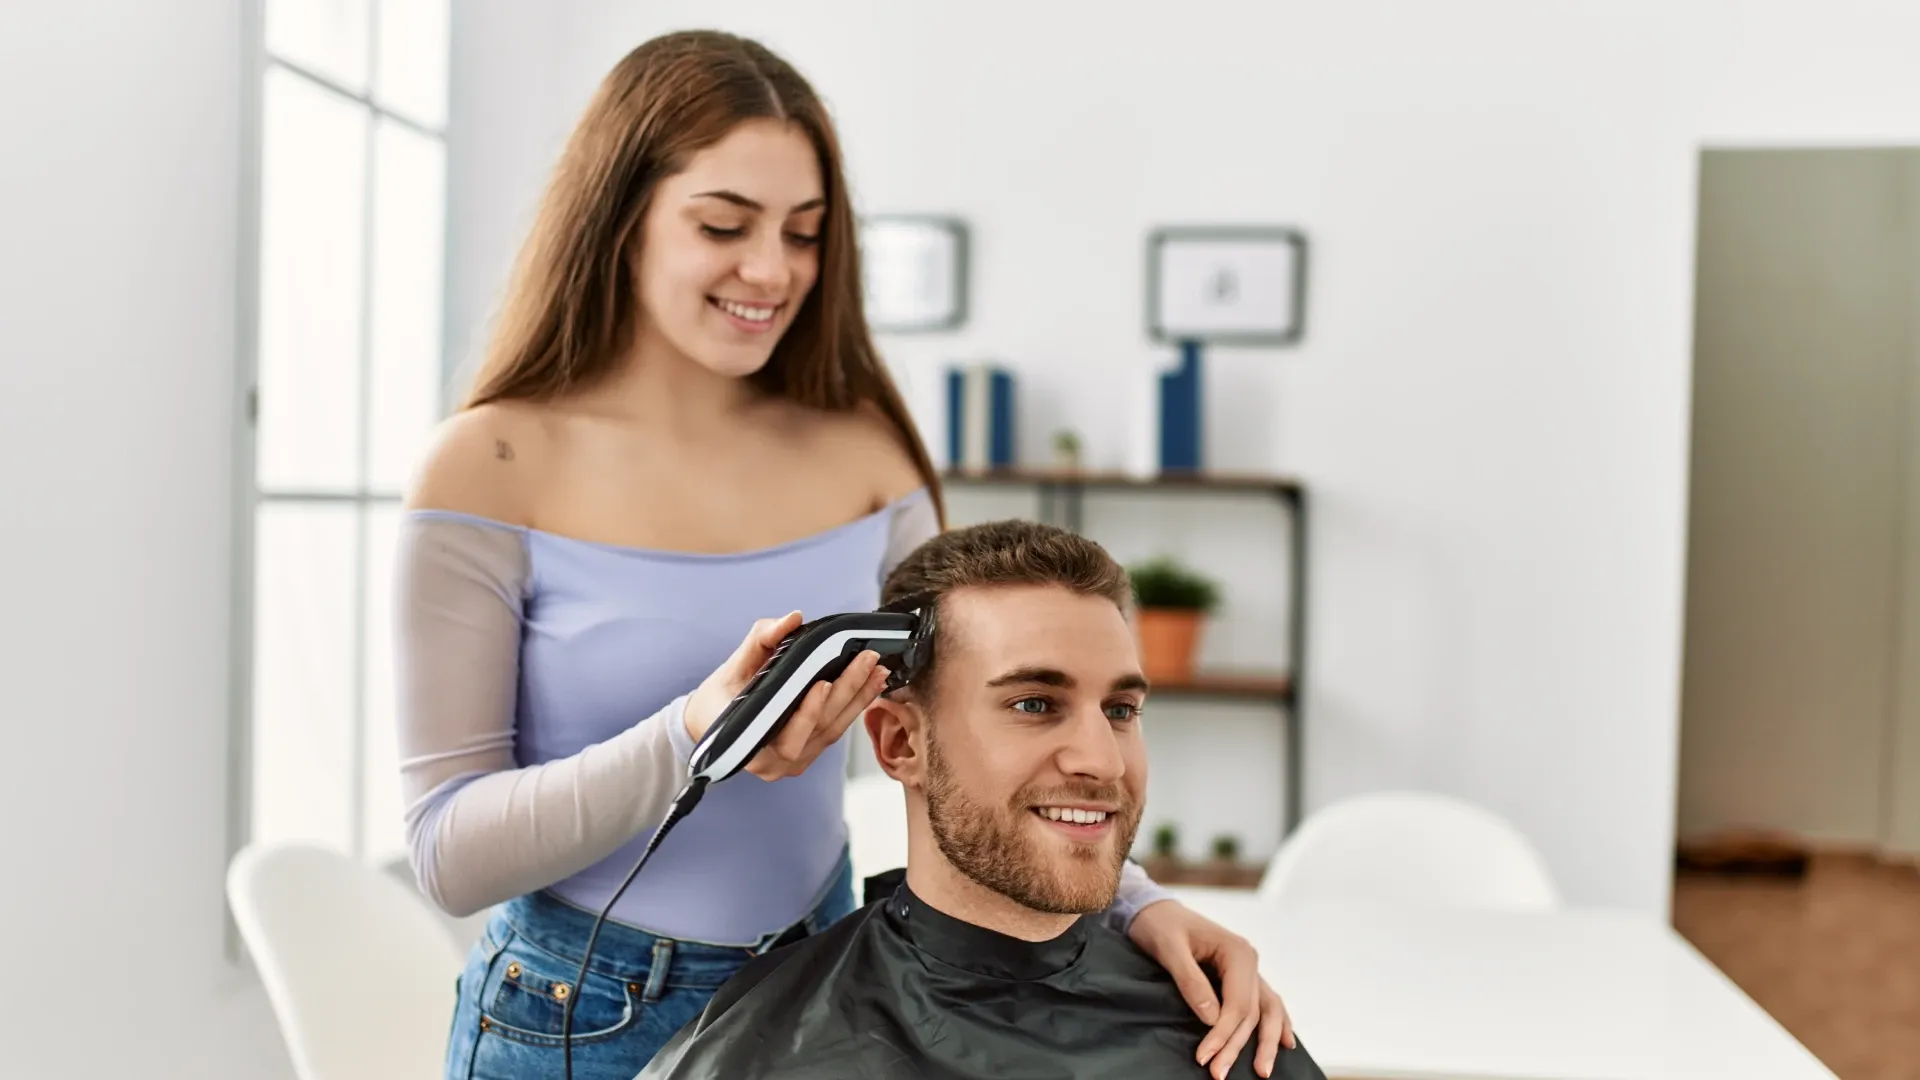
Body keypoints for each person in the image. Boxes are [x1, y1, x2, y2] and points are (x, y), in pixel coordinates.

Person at [395, 29, 1292, 1080]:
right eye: (723, 225)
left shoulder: (863, 450)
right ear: (621, 219)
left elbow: (975, 722)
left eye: (806, 232)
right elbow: (448, 853)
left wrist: (1137, 905)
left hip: (820, 984)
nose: (771, 270)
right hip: (581, 1017)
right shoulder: (490, 465)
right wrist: (694, 737)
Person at [638, 519, 1323, 1080]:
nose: (1103, 761)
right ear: (901, 743)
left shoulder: (1228, 1036)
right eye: (1034, 703)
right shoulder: (760, 1052)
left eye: (1120, 710)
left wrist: (1147, 904)